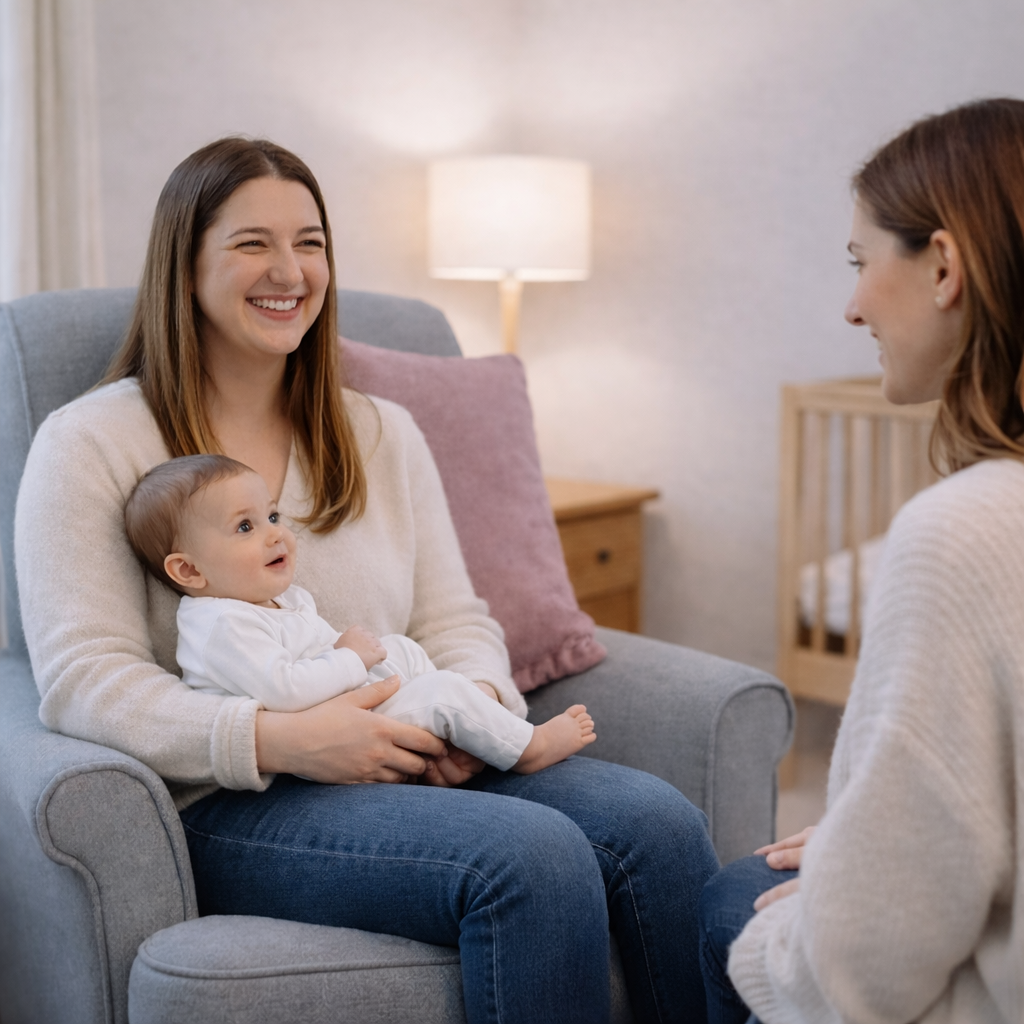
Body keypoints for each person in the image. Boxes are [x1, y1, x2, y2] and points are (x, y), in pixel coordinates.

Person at [14, 136, 720, 1024]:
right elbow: (86, 681)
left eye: (310, 242)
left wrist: (476, 708)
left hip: (411, 746)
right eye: (252, 243)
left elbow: (456, 617)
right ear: (183, 262)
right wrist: (279, 738)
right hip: (238, 798)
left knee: (657, 824)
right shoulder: (91, 442)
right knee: (530, 857)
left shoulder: (381, 431)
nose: (290, 270)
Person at [698, 97, 1024, 1024]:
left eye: (860, 262)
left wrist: (795, 923)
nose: (850, 306)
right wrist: (863, 838)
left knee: (737, 897)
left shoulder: (962, 535)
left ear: (947, 266)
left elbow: (856, 973)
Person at [124, 452, 597, 774]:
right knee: (445, 691)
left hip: (348, 705)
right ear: (188, 569)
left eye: (271, 516)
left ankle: (455, 732)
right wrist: (349, 658)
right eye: (245, 527)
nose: (274, 534)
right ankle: (526, 750)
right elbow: (284, 692)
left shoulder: (276, 600)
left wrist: (364, 661)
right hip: (320, 745)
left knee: (404, 650)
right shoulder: (220, 626)